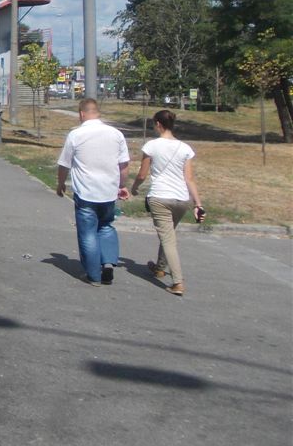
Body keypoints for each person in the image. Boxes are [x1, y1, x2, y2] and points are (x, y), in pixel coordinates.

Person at [56, 98, 131, 286]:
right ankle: (108, 262)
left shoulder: (76, 135)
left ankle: (93, 275)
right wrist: (122, 185)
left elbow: (64, 164)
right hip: (109, 191)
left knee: (88, 232)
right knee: (106, 226)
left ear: (81, 114)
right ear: (98, 113)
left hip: (86, 192)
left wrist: (61, 183)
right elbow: (123, 165)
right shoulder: (116, 134)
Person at [129, 109, 204, 297]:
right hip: (181, 199)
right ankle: (160, 268)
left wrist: (134, 188)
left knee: (168, 239)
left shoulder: (151, 146)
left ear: (158, 124)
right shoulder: (185, 148)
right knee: (168, 233)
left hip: (160, 197)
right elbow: (189, 179)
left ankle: (178, 282)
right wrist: (198, 204)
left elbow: (142, 174)